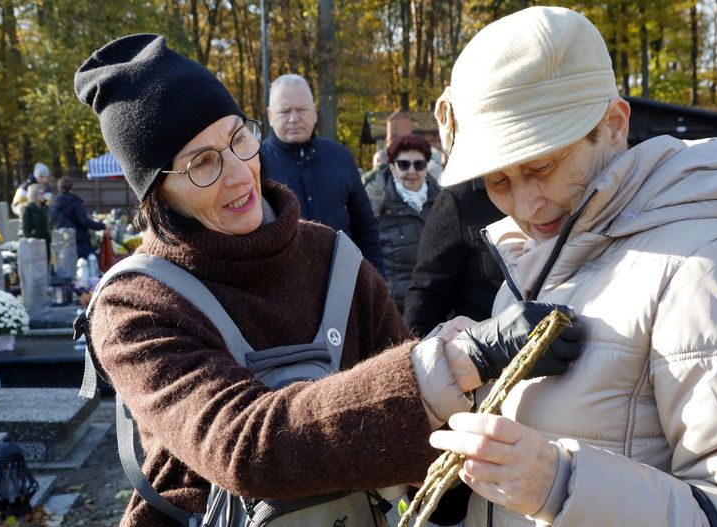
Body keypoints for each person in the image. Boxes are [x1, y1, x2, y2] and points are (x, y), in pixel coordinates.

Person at [72, 34, 582, 526]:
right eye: (202, 163)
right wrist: (460, 358)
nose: (237, 173)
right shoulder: (136, 303)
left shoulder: (331, 256)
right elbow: (245, 447)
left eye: (237, 138)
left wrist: (490, 405)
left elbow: (427, 438)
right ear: (157, 193)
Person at [424, 7, 717, 526]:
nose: (525, 205)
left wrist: (560, 486)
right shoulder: (542, 255)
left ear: (613, 126)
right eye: (497, 182)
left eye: (542, 166)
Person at [260, 74, 385, 275]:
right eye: (284, 111)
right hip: (283, 288)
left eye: (301, 110)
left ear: (314, 112)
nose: (294, 118)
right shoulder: (255, 165)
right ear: (270, 116)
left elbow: (366, 228)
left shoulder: (341, 157)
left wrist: (378, 280)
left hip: (345, 281)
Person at [403, 178, 505, 338]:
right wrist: (416, 356)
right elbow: (428, 294)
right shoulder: (459, 199)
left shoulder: (553, 193)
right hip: (481, 350)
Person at [364, 134, 440, 312]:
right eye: (404, 164)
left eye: (419, 164)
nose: (412, 171)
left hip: (437, 306)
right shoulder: (375, 206)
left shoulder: (443, 201)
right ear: (392, 168)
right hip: (394, 308)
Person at [50, 176, 105, 258]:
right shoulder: (76, 203)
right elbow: (84, 221)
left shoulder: (52, 204)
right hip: (78, 241)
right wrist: (102, 226)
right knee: (91, 263)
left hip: (60, 241)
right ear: (71, 187)